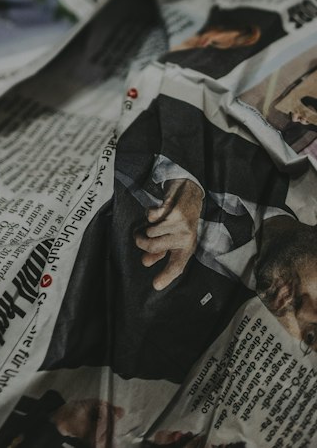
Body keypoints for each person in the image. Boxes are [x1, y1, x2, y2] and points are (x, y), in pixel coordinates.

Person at [44, 93, 316, 383]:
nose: (302, 312)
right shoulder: (271, 157)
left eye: (311, 335)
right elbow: (169, 85)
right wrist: (186, 178)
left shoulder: (180, 343)